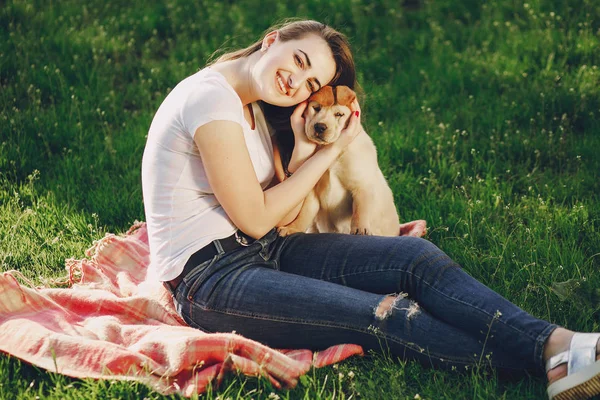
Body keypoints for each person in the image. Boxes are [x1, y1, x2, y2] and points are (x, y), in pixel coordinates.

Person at [141, 19, 600, 400]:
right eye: (299, 61)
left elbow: (280, 221)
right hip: (213, 280)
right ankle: (551, 356)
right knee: (383, 314)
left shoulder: (258, 106)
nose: (296, 83)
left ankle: (560, 344)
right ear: (271, 40)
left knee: (412, 258)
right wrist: (326, 153)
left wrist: (304, 146)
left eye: (312, 82)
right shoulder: (210, 98)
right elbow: (257, 218)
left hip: (268, 250)